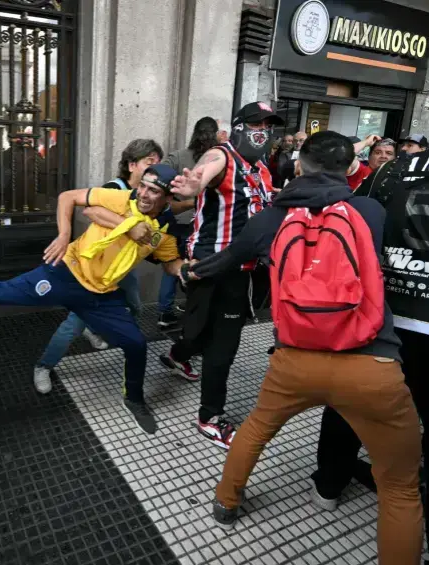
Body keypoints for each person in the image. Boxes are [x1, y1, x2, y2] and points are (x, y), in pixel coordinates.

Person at [182, 131, 422, 565]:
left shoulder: (271, 218)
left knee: (256, 428)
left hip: (294, 361)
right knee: (400, 487)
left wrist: (188, 271)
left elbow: (226, 260)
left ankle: (226, 501)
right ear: (351, 168)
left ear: (297, 166)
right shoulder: (368, 209)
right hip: (370, 363)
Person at [0, 165, 185, 434]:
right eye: (142, 185)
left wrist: (190, 270)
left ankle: (133, 398)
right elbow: (69, 197)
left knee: (136, 344)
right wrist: (64, 235)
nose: (143, 193)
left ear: (167, 198)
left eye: (153, 190)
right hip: (65, 274)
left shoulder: (167, 230)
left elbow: (171, 263)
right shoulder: (122, 198)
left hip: (102, 296)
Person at [312, 148, 429, 553]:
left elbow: (353, 220)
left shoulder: (393, 169)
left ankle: (329, 483)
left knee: (349, 403)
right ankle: (409, 491)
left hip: (381, 314)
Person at [159, 102, 282, 449]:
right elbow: (203, 172)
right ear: (240, 128)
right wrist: (193, 183)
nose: (264, 133)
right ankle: (209, 417)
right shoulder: (222, 156)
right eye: (257, 125)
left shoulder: (261, 170)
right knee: (222, 346)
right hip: (213, 268)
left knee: (202, 336)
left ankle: (175, 356)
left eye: (269, 127)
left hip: (243, 270)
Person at [32, 139, 163, 392]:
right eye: (150, 162)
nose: (155, 167)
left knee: (135, 306)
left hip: (120, 272)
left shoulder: (150, 196)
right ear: (132, 165)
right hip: (92, 273)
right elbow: (90, 211)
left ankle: (94, 327)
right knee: (73, 322)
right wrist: (129, 227)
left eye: (158, 162)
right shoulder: (116, 188)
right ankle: (44, 365)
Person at [157, 117, 219, 330]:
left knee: (171, 266)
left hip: (177, 222)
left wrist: (171, 197)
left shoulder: (178, 156)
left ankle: (164, 312)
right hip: (203, 226)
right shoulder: (218, 160)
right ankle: (192, 309)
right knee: (196, 268)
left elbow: (159, 174)